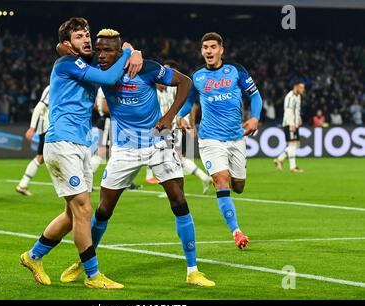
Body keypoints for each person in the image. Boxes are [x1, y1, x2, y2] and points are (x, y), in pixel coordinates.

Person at [60, 29, 215, 287]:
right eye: (98, 50)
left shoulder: (147, 68)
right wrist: (132, 50)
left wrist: (168, 117)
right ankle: (85, 262)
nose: (101, 55)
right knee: (104, 209)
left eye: (107, 50)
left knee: (179, 200)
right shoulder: (100, 71)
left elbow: (186, 83)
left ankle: (193, 270)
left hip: (157, 142)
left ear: (118, 51)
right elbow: (62, 49)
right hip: (124, 148)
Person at [19, 17, 143, 290]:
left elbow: (111, 64)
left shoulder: (83, 62)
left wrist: (134, 51)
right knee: (85, 209)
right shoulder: (66, 63)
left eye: (87, 34)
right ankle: (92, 275)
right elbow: (110, 76)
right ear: (67, 43)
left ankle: (33, 256)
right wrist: (127, 53)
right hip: (61, 143)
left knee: (71, 214)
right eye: (78, 36)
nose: (86, 39)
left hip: (79, 145)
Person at [176, 32, 263, 250]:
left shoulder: (236, 70)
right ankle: (237, 232)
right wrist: (179, 115)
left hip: (236, 138)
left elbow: (255, 95)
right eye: (205, 47)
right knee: (221, 180)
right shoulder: (197, 77)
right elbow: (189, 103)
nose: (208, 51)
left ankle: (230, 185)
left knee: (239, 186)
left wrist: (254, 117)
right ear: (201, 51)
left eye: (213, 47)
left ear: (221, 50)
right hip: (210, 139)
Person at [145, 60, 212, 194]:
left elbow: (191, 106)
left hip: (174, 127)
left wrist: (190, 125)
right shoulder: (161, 90)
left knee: (173, 158)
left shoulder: (176, 89)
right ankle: (203, 178)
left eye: (168, 70)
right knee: (174, 158)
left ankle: (175, 189)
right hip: (164, 128)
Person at [16, 85, 50, 196]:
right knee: (44, 157)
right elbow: (40, 106)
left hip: (52, 128)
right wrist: (32, 127)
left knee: (42, 158)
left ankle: (23, 184)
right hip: (48, 127)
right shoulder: (53, 86)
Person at [274, 80, 305, 173]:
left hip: (294, 123)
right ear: (295, 87)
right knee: (292, 145)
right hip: (289, 123)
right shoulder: (289, 97)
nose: (303, 89)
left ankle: (279, 160)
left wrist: (299, 118)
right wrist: (291, 123)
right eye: (301, 87)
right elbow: (288, 111)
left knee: (296, 145)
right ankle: (293, 167)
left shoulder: (298, 96)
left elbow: (297, 109)